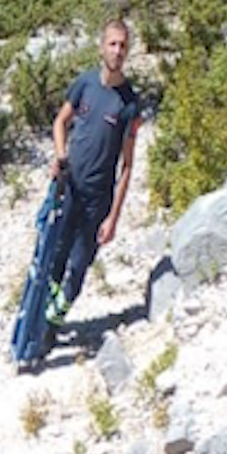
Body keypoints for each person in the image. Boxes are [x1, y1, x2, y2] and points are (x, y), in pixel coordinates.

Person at [44, 18, 142, 329]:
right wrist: (61, 155)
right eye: (112, 44)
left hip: (98, 200)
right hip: (70, 187)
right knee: (55, 257)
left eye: (123, 45)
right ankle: (40, 320)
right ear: (101, 47)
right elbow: (60, 122)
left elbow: (128, 166)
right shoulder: (84, 84)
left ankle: (53, 324)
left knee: (78, 265)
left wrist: (113, 218)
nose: (117, 51)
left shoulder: (130, 104)